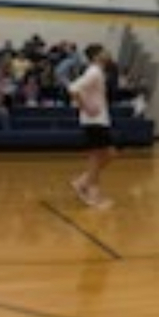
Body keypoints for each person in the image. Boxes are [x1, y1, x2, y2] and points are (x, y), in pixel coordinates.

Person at [69, 44, 115, 209]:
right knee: (97, 157)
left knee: (108, 154)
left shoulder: (97, 72)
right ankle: (91, 193)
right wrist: (86, 107)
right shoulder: (94, 72)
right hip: (94, 120)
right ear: (96, 56)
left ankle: (83, 182)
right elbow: (73, 88)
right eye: (104, 51)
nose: (107, 53)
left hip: (99, 120)